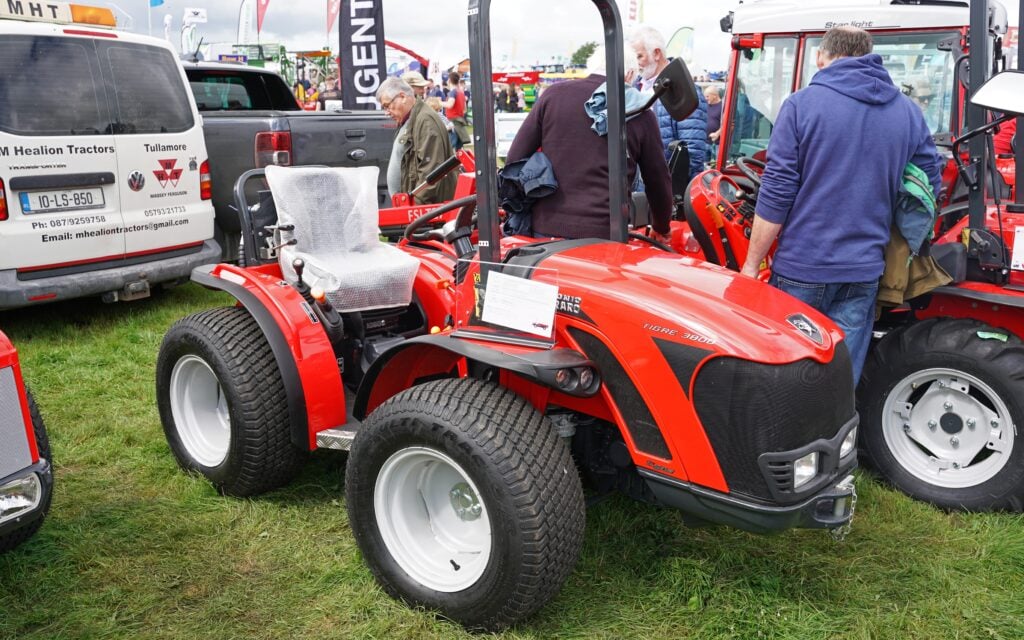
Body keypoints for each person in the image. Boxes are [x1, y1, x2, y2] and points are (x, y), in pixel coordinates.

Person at [740, 26, 943, 381]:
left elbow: (778, 189)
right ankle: (837, 435)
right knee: (842, 374)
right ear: (869, 55)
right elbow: (927, 184)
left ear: (821, 56)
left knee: (793, 372)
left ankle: (793, 435)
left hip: (804, 267)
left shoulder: (801, 105)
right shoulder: (907, 112)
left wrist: (751, 264)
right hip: (864, 268)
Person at [505, 46, 673, 242]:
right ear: (629, 74)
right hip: (605, 233)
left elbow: (514, 158)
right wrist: (662, 226)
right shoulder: (640, 112)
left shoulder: (553, 96)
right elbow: (657, 178)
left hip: (546, 229)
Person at [628, 25, 707, 181]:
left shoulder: (685, 91)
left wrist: (666, 192)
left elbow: (691, 153)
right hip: (637, 186)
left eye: (639, 56)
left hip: (663, 188)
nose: (636, 63)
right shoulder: (634, 88)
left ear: (657, 53)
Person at [376, 77, 457, 205]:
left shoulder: (425, 121)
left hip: (424, 213)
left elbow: (431, 172)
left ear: (402, 97)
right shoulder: (411, 119)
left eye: (387, 106)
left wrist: (414, 208)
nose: (387, 113)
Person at [442, 71, 469, 150]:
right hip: (459, 122)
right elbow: (464, 109)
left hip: (453, 123)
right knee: (459, 150)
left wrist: (438, 103)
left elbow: (450, 105)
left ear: (449, 80)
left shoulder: (453, 92)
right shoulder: (461, 92)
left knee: (450, 148)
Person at [704, 85, 723, 163]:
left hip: (717, 144)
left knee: (716, 165)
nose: (706, 98)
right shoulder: (706, 105)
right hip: (705, 142)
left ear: (715, 96)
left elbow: (727, 124)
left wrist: (717, 134)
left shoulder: (723, 106)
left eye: (707, 96)